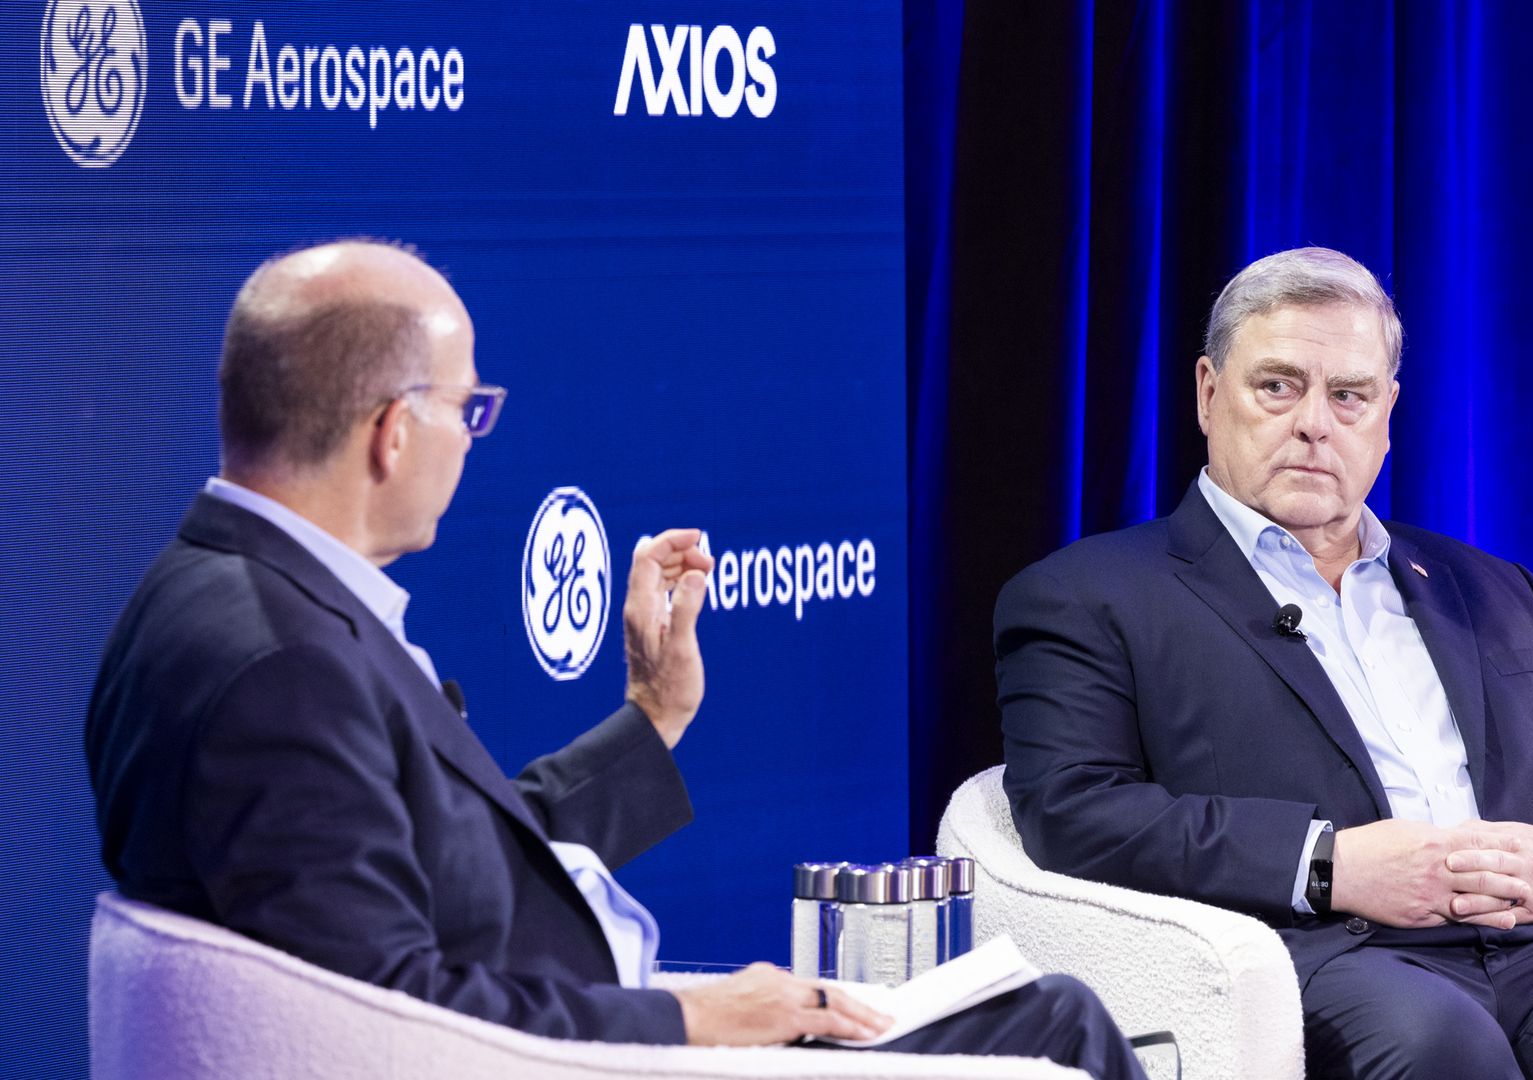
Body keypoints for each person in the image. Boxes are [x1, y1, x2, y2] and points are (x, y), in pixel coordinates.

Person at [87, 238, 1144, 1078]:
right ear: (393, 432)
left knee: (1034, 1012)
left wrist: (652, 716)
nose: (473, 438)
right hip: (580, 1057)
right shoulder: (283, 668)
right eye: (469, 410)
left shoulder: (224, 593)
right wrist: (695, 1018)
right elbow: (397, 1011)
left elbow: (456, 861)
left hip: (573, 1032)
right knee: (1054, 1026)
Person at [995, 247, 1533, 1078]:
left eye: (1348, 396)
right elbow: (1076, 809)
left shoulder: (1489, 588)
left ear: (1386, 413)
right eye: (1278, 386)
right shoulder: (1088, 595)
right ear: (1210, 394)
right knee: (1439, 1044)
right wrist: (1328, 865)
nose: (1314, 424)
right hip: (1326, 954)